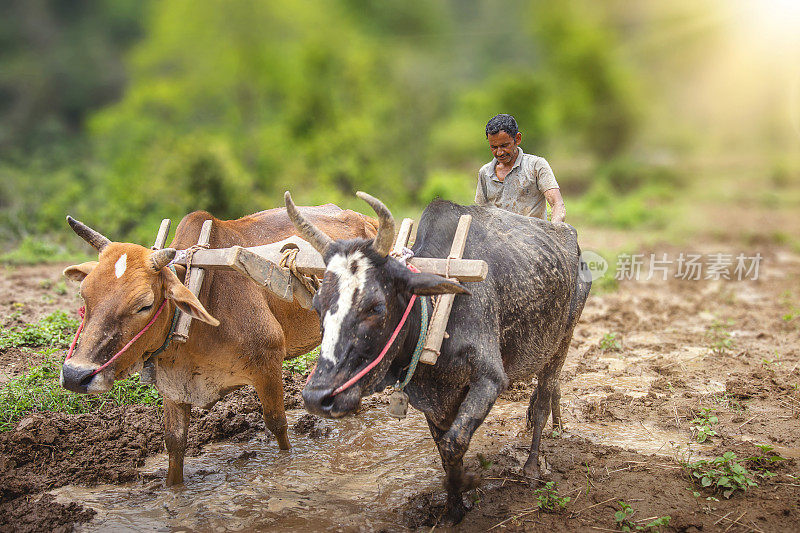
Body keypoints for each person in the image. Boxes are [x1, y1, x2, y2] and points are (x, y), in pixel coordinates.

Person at [475, 114, 566, 223]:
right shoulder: (485, 173)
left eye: (504, 146)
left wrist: (554, 230)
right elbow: (480, 213)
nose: (499, 152)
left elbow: (557, 204)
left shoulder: (536, 165)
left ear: (517, 139)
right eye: (494, 147)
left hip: (532, 235)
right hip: (497, 236)